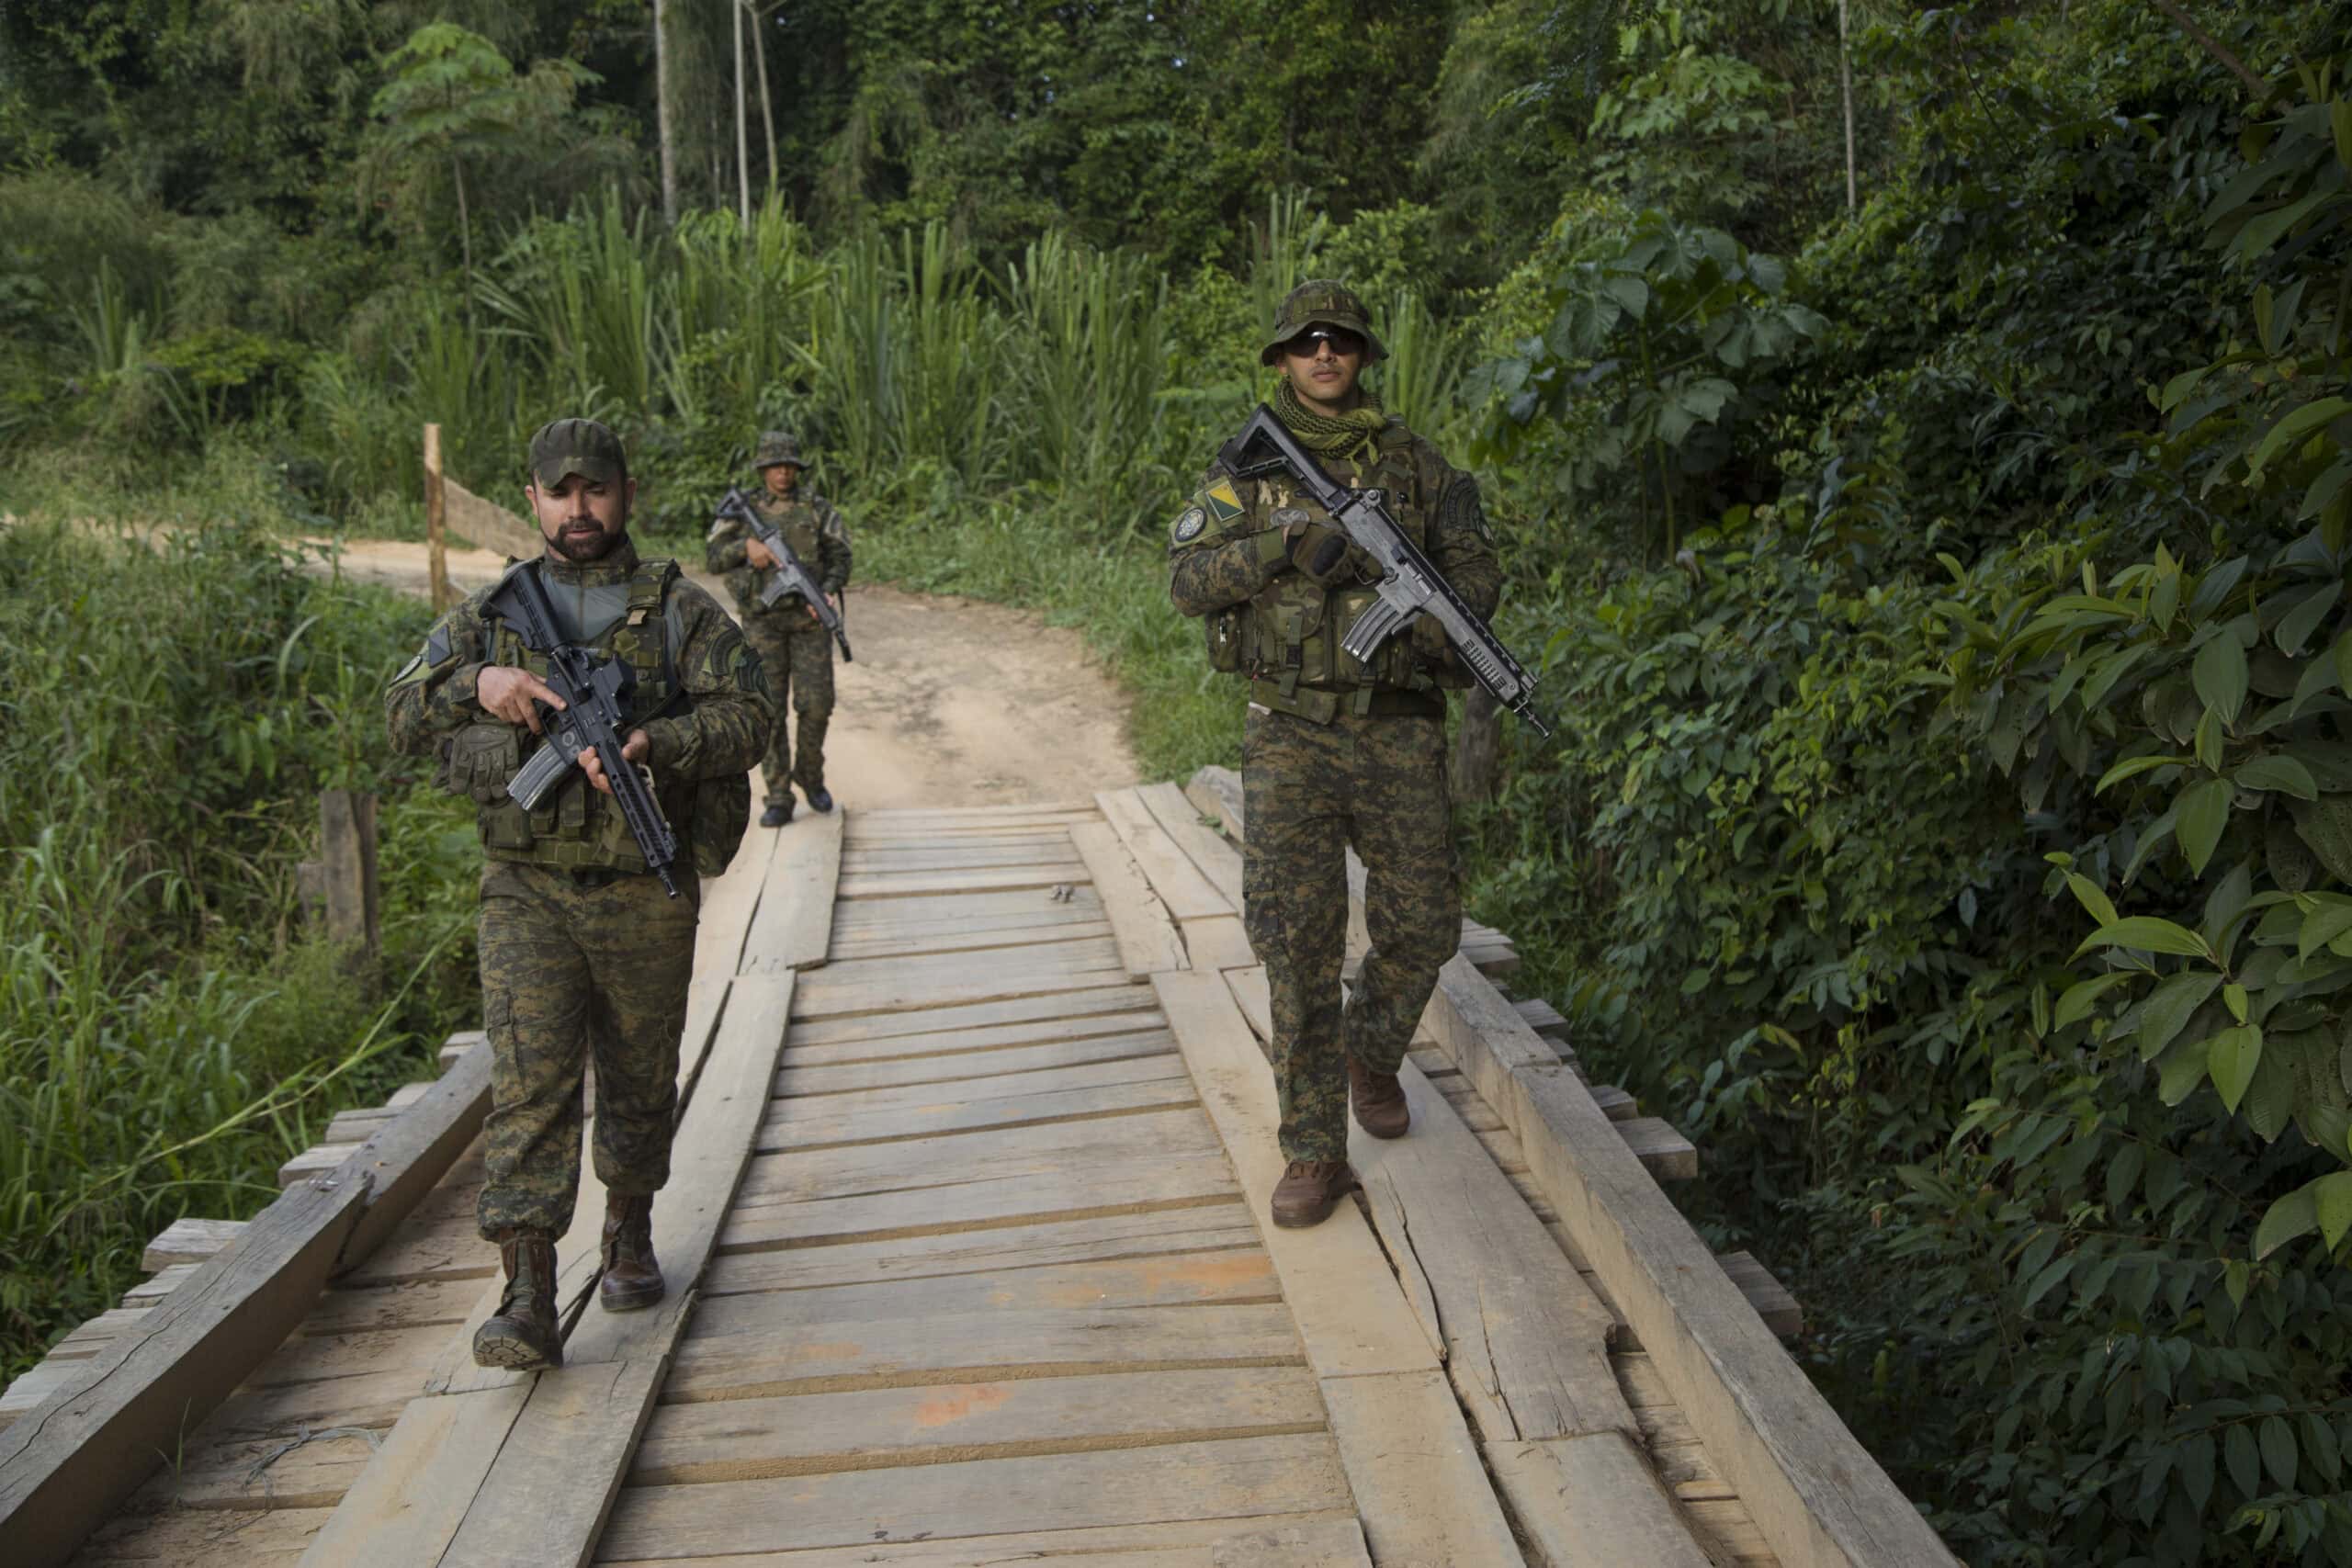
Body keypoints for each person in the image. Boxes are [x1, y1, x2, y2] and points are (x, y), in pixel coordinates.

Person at [386, 416, 772, 1370]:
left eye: (594, 489)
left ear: (625, 492)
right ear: (531, 501)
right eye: (558, 493)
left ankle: (628, 1232)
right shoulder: (491, 616)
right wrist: (481, 680)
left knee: (640, 1076)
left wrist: (655, 742)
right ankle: (524, 1290)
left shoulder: (681, 614)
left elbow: (754, 716)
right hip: (529, 889)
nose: (578, 509)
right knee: (529, 1084)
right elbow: (400, 710)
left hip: (644, 886)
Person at [1167, 280, 1501, 1228]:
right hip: (1289, 736)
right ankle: (1313, 1151)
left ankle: (1370, 1047)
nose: (1325, 355)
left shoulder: (1419, 469)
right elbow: (1186, 581)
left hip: (1396, 729)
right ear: (1281, 359)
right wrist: (1281, 547)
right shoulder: (1244, 476)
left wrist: (1437, 606)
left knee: (1428, 920)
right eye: (1307, 343)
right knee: (1296, 945)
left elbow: (1479, 574)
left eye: (1341, 342)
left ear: (1361, 358)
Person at [706, 430, 853, 826]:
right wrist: (746, 549)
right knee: (768, 710)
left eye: (788, 465)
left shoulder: (818, 509)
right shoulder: (742, 511)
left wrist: (829, 589)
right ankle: (778, 794)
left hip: (808, 622)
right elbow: (713, 555)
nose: (783, 472)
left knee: (817, 705)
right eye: (775, 466)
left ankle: (810, 774)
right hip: (762, 623)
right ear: (763, 469)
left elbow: (841, 555)